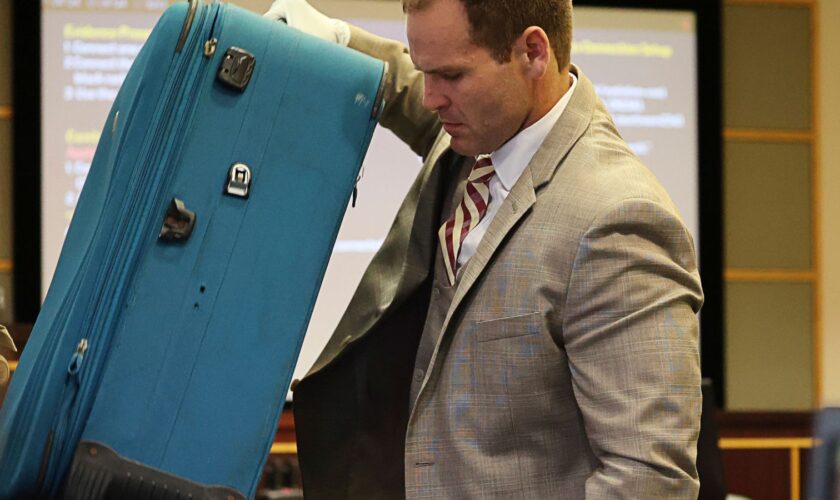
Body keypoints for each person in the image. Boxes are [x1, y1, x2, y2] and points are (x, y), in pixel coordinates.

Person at [265, 0, 705, 498]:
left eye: (451, 74)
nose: (432, 97)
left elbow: (649, 479)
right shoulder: (486, 134)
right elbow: (413, 92)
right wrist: (341, 41)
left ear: (533, 53)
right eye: (425, 69)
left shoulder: (618, 220)